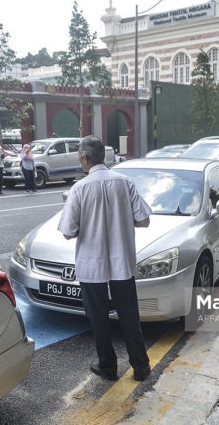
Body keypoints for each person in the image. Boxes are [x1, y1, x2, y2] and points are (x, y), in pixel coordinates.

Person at [57, 135, 152, 382]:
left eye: (79, 155)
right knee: (129, 314)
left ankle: (108, 367)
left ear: (85, 158)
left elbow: (68, 231)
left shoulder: (79, 188)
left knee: (98, 318)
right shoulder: (125, 182)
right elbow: (143, 220)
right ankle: (140, 366)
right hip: (122, 263)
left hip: (91, 265)